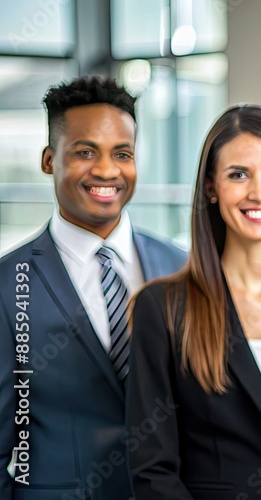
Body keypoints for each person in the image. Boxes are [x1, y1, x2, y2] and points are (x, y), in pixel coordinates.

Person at [127, 104, 261, 499]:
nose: (259, 192)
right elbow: (152, 471)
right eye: (238, 174)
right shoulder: (163, 307)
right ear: (210, 187)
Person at [0, 76, 186, 499]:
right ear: (49, 160)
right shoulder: (7, 287)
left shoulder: (180, 267)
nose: (106, 170)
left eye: (122, 153)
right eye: (85, 152)